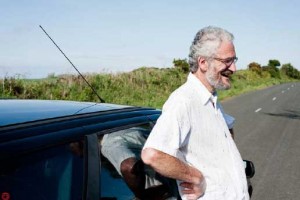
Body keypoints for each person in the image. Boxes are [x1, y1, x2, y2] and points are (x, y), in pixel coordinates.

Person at [141, 26, 249, 200]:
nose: (234, 68)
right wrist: (195, 178)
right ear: (203, 63)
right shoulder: (184, 100)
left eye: (234, 60)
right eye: (227, 61)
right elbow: (153, 154)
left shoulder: (209, 97)